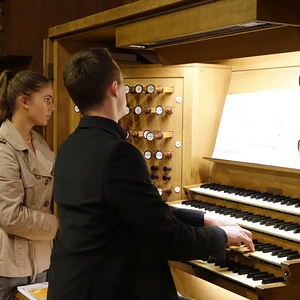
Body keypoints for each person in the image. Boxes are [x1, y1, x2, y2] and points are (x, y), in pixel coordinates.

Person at [47, 48, 254, 300]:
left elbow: (134, 212)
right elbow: (167, 238)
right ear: (115, 89)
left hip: (73, 286)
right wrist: (221, 237)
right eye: (123, 84)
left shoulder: (70, 146)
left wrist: (203, 218)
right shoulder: (118, 153)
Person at [0, 70, 57, 300]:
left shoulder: (39, 142)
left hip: (42, 263)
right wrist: (57, 224)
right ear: (24, 101)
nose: (52, 107)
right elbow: (10, 216)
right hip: (10, 269)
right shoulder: (3, 148)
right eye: (47, 99)